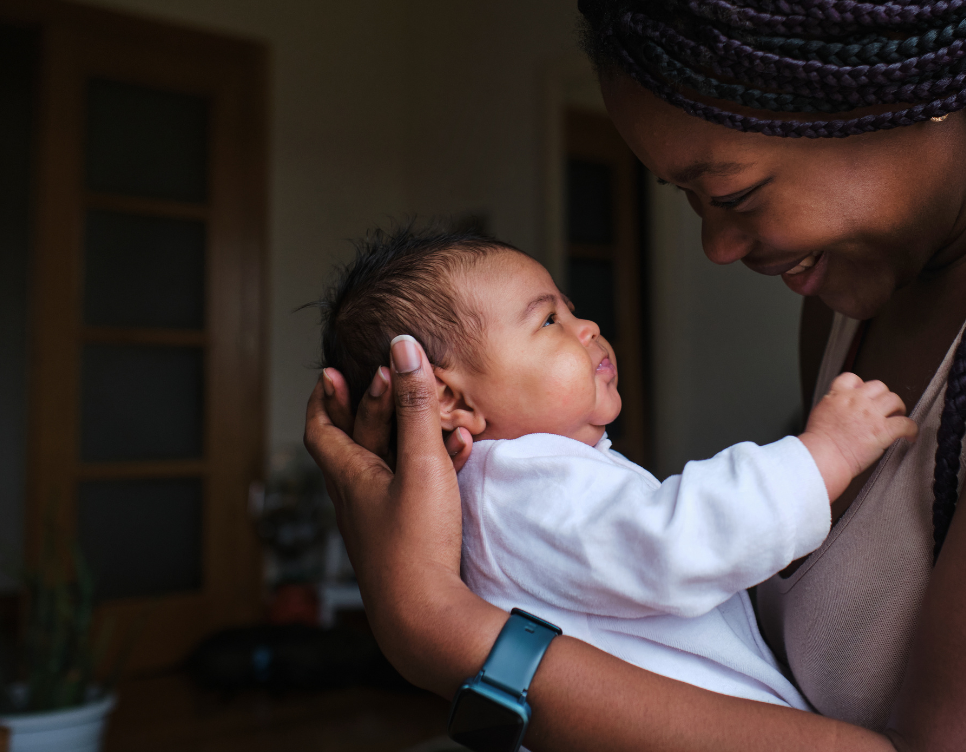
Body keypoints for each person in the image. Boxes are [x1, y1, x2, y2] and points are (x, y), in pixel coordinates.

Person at [305, 0, 966, 749]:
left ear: (906, 87)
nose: (717, 247)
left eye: (729, 193)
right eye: (688, 201)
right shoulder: (848, 306)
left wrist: (453, 635)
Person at [316, 225, 915, 710]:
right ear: (451, 400)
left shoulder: (512, 486)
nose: (588, 327)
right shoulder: (520, 486)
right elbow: (676, 541)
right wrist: (827, 454)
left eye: (571, 310)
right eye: (548, 320)